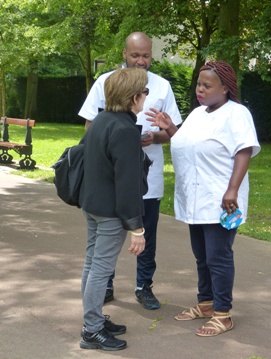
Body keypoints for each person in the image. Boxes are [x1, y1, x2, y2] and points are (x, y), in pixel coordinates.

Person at [146, 60, 260, 337]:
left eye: (207, 86)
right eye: (198, 84)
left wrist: (232, 190)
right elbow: (185, 142)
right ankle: (206, 303)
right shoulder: (198, 114)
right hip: (195, 198)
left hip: (221, 198)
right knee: (202, 256)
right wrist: (170, 127)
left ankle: (223, 314)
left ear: (225, 88)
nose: (200, 89)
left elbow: (243, 151)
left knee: (218, 256)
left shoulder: (237, 113)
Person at [78, 32, 182, 310]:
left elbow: (171, 130)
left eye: (146, 55)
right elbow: (91, 127)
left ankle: (143, 286)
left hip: (148, 175)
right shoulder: (106, 81)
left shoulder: (163, 86)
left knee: (146, 234)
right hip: (113, 177)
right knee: (105, 245)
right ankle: (105, 287)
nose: (141, 60)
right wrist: (121, 141)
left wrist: (154, 137)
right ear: (124, 54)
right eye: (135, 55)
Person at [79, 68, 148, 351]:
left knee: (92, 263)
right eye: (144, 92)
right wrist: (137, 229)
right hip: (110, 212)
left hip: (92, 205)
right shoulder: (124, 130)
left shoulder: (100, 121)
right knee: (101, 269)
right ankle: (91, 330)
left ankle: (92, 320)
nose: (146, 96)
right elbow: (128, 183)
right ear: (134, 98)